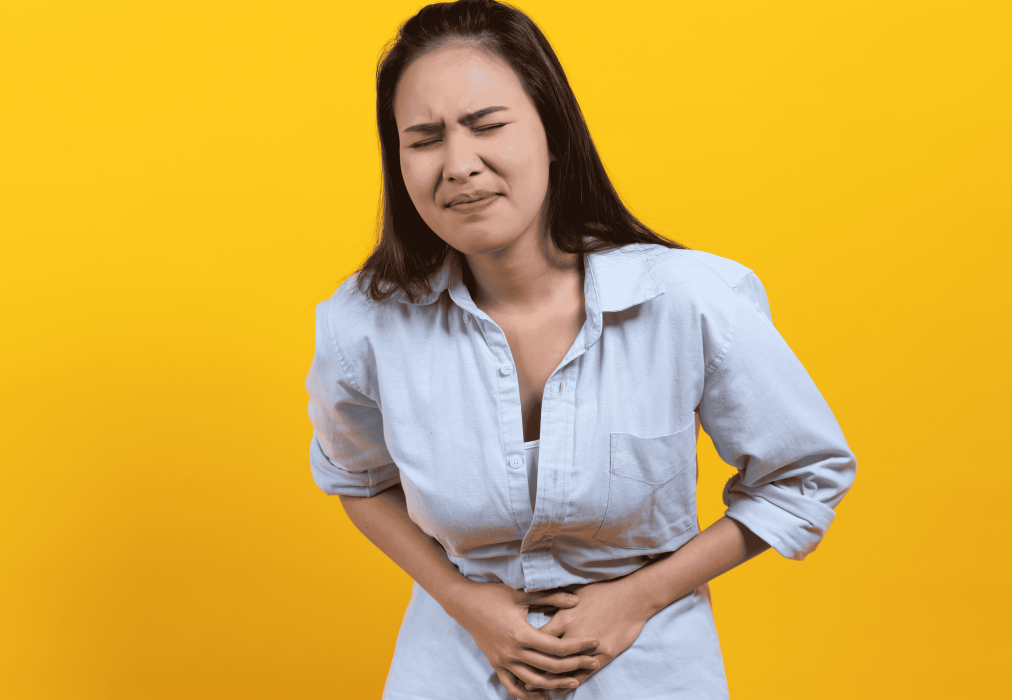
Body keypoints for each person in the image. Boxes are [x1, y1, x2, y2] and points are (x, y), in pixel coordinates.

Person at [305, 1, 857, 697]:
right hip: (451, 665)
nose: (459, 165)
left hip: (649, 667)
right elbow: (356, 479)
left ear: (553, 133)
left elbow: (803, 474)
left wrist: (639, 598)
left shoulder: (688, 300)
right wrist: (463, 601)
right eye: (424, 139)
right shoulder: (362, 325)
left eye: (487, 125)